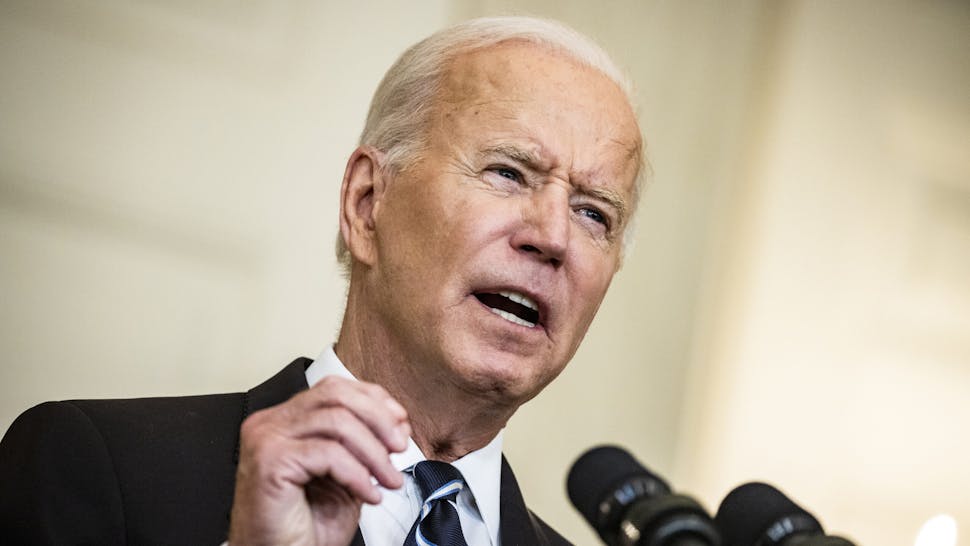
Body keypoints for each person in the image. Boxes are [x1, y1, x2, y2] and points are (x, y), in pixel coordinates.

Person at [0, 15, 643, 546]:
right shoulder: (95, 467)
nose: (554, 237)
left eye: (595, 213)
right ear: (367, 203)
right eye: (508, 173)